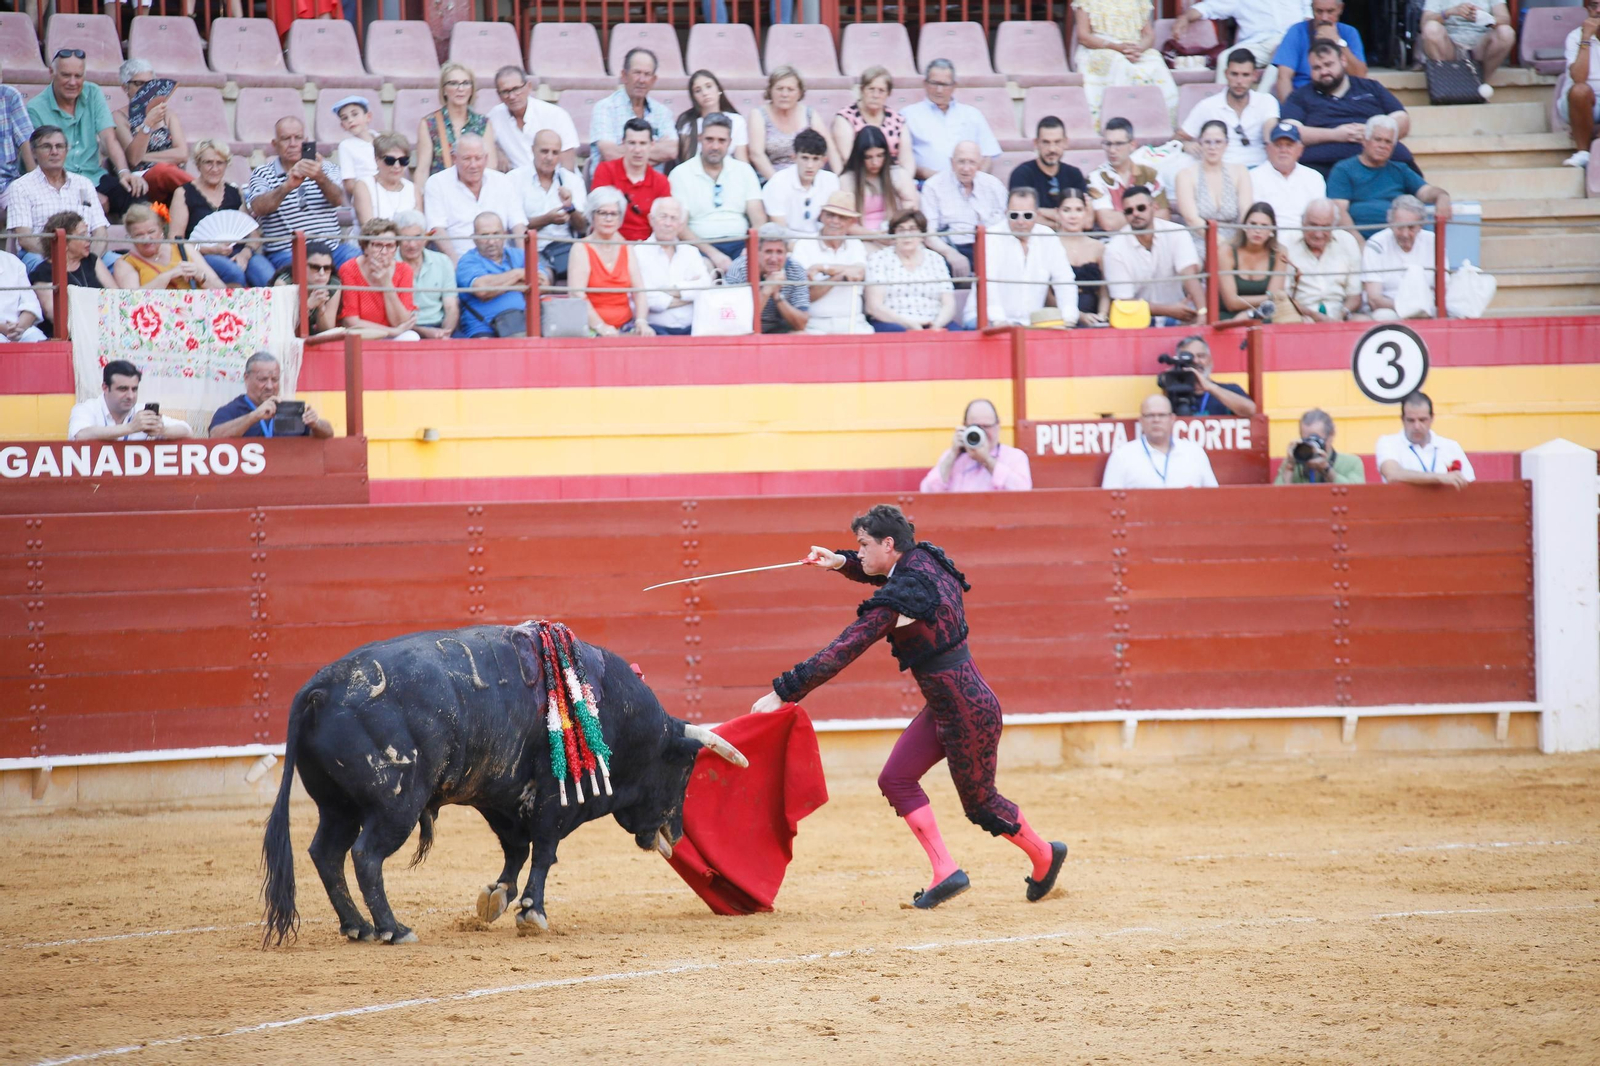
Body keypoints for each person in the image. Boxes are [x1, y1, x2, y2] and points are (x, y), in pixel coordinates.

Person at [750, 503, 1066, 910]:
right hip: (947, 705)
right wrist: (838, 563)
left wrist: (785, 691)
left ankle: (1044, 853)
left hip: (968, 711)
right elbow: (884, 572)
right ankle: (945, 871)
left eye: (862, 545)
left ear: (888, 543)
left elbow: (845, 648)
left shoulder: (901, 597)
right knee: (896, 779)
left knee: (982, 804)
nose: (858, 552)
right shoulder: (924, 560)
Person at [26, 50, 144, 217]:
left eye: (78, 76)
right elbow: (43, 164)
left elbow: (109, 138)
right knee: (85, 207)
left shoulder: (93, 92)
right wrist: (86, 194)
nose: (73, 82)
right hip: (59, 183)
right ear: (52, 73)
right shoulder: (35, 108)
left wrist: (124, 172)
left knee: (136, 194)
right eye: (66, 75)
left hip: (93, 175)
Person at [1280, 41, 1413, 177]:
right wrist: (1335, 134)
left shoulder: (1370, 87)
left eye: (1328, 65)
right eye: (1316, 68)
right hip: (1323, 165)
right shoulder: (1300, 96)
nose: (1324, 72)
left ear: (1343, 61)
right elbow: (1290, 132)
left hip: (1380, 160)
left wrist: (1372, 131)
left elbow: (1402, 118)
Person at [246, 116, 355, 272]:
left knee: (357, 260)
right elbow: (258, 207)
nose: (293, 144)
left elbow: (339, 200)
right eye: (285, 139)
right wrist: (286, 187)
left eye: (298, 138)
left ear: (306, 140)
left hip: (330, 249)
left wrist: (320, 177)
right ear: (275, 145)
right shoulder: (263, 173)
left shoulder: (326, 168)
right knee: (301, 273)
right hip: (286, 251)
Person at [965, 187, 1080, 329]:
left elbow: (1064, 279)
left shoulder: (1047, 236)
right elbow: (989, 283)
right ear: (1006, 213)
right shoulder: (991, 236)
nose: (1020, 221)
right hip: (984, 319)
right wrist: (998, 321)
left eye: (1027, 216)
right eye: (1014, 215)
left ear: (1037, 215)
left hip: (1030, 324)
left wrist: (1069, 318)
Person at [668, 114, 765, 272]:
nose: (715, 146)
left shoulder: (744, 171)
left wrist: (749, 250)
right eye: (709, 139)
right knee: (702, 269)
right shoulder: (680, 174)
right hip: (699, 246)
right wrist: (714, 255)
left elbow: (759, 219)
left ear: (730, 143)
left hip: (741, 244)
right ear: (700, 139)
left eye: (721, 141)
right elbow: (681, 226)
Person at [1327, 115, 1451, 236]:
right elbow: (1339, 211)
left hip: (1399, 239)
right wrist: (1359, 243)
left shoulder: (1400, 169)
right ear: (1365, 141)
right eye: (1378, 139)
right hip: (1360, 239)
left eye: (1388, 142)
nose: (1382, 146)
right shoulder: (1343, 169)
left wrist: (1442, 196)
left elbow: (1425, 191)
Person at [8, 126, 111, 271]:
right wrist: (65, 257)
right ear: (33, 152)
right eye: (46, 147)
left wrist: (89, 260)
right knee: (41, 266)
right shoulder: (20, 187)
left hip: (85, 253)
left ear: (66, 151)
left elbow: (100, 232)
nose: (54, 152)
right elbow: (25, 239)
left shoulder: (83, 184)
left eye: (59, 146)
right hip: (42, 255)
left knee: (118, 263)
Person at [169, 139, 268, 287]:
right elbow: (175, 240)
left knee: (267, 276)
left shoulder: (235, 192)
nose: (214, 168)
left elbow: (253, 233)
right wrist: (210, 249)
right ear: (198, 165)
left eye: (219, 163)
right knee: (234, 273)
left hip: (239, 251)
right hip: (202, 254)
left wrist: (245, 254)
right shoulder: (183, 193)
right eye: (208, 162)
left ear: (226, 165)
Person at [1104, 185, 1206, 324]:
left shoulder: (1176, 232)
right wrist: (1169, 310)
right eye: (1129, 211)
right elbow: (1124, 302)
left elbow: (1190, 275)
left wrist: (1202, 312)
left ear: (1154, 207)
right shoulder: (1114, 248)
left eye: (1141, 208)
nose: (1135, 214)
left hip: (1182, 314)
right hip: (1137, 320)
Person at [1072, 0, 1179, 128]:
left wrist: (1138, 49)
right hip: (1100, 49)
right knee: (1120, 64)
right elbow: (1083, 36)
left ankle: (1158, 127)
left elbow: (1148, 35)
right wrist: (1116, 47)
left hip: (1133, 48)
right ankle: (1116, 126)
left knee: (1156, 62)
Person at [423, 133, 527, 264]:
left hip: (502, 260)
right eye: (467, 159)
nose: (473, 165)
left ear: (486, 158)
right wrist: (457, 266)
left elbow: (518, 225)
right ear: (454, 158)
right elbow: (437, 230)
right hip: (462, 261)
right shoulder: (437, 183)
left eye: (478, 158)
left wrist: (525, 263)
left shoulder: (503, 181)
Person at [566, 185, 652, 336]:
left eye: (614, 214)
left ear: (620, 218)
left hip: (625, 325)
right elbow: (577, 295)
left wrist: (641, 321)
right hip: (590, 328)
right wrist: (601, 326)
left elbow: (639, 291)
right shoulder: (580, 248)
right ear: (592, 216)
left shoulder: (626, 247)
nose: (608, 218)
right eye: (602, 213)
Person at [456, 211, 551, 338]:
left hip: (522, 324)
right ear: (474, 238)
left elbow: (543, 284)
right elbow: (483, 290)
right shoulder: (467, 261)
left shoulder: (520, 255)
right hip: (484, 329)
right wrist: (518, 275)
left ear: (505, 235)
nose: (491, 241)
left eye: (496, 234)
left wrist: (499, 285)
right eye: (484, 235)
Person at [110, 58, 191, 209]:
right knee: (162, 170)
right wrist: (148, 124)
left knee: (167, 171)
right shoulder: (119, 117)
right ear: (125, 87)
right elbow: (134, 159)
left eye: (150, 84)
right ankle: (202, 194)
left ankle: (200, 196)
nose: (145, 89)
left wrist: (145, 156)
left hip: (172, 176)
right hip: (140, 180)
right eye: (139, 84)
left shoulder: (167, 114)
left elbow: (182, 154)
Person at [901, 59, 1001, 180]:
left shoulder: (972, 114)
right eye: (934, 83)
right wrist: (925, 174)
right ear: (925, 83)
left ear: (954, 86)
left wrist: (974, 181)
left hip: (969, 187)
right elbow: (900, 159)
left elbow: (988, 155)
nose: (939, 90)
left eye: (944, 84)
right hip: (925, 184)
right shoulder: (908, 115)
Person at [1179, 50, 1280, 168]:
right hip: (1221, 170)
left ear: (1254, 76)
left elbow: (1272, 135)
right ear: (1226, 74)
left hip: (1260, 168)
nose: (1239, 81)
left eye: (1245, 75)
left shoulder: (1266, 101)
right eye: (1234, 74)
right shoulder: (1207, 105)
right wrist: (1185, 144)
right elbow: (1179, 137)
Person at [510, 128, 588, 279]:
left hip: (565, 250)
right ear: (533, 150)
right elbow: (512, 228)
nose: (549, 157)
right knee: (544, 276)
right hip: (529, 249)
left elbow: (582, 227)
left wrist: (570, 208)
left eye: (555, 152)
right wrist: (547, 219)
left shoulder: (572, 180)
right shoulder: (514, 180)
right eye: (544, 151)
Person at [865, 209, 960, 332]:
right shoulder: (879, 259)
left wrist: (937, 325)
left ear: (922, 235)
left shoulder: (936, 259)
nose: (906, 235)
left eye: (912, 229)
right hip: (894, 323)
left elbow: (949, 304)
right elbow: (874, 307)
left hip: (934, 321)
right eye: (901, 229)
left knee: (959, 337)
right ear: (893, 235)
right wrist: (910, 325)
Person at [1174, 118, 1254, 262]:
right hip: (1199, 239)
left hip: (1235, 239)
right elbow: (1191, 218)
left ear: (1226, 144)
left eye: (1218, 142)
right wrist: (1220, 243)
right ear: (1200, 143)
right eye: (1207, 142)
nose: (1212, 147)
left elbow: (1245, 212)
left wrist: (1237, 242)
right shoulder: (1186, 175)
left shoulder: (1240, 171)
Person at [1101, 393, 1220, 488]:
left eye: (1162, 415)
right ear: (1141, 421)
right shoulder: (1122, 456)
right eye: (1150, 415)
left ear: (1172, 419)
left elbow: (1213, 497)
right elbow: (1109, 502)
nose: (1156, 420)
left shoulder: (1194, 453)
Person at [791, 191, 869, 334]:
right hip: (815, 324)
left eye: (842, 217)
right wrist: (839, 277)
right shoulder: (804, 245)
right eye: (830, 215)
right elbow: (806, 295)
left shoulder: (856, 244)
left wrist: (823, 268)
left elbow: (858, 273)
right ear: (822, 216)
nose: (835, 221)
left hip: (853, 321)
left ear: (851, 222)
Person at [922, 139, 1008, 269]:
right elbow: (929, 233)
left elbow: (1004, 225)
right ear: (952, 162)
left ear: (980, 164)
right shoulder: (933, 186)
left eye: (972, 162)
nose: (966, 168)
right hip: (951, 247)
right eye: (961, 161)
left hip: (990, 247)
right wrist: (950, 254)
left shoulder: (993, 185)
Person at [210, 351, 334, 439]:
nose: (269, 386)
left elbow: (328, 434)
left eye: (274, 380)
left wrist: (316, 423)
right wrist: (254, 417)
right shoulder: (232, 410)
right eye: (263, 379)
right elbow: (214, 436)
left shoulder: (289, 410)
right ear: (246, 378)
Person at [1173, 0, 1302, 84]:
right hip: (1256, 45)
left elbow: (1312, 15)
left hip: (1291, 42)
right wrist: (1185, 17)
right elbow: (1208, 8)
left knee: (1280, 56)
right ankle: (1222, 107)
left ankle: (1262, 103)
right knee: (1226, 58)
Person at [748, 66, 840, 180]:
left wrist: (840, 177)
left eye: (790, 89)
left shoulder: (810, 114)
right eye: (779, 89)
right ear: (770, 91)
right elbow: (756, 154)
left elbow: (829, 148)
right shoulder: (759, 115)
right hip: (772, 178)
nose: (784, 94)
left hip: (809, 177)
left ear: (799, 93)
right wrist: (779, 183)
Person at [635, 197, 711, 335]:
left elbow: (705, 288)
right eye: (663, 217)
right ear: (651, 219)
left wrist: (668, 290)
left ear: (681, 225)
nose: (668, 223)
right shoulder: (638, 252)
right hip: (655, 330)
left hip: (694, 329)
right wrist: (688, 295)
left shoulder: (691, 251)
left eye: (673, 218)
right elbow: (647, 299)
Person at [590, 47, 678, 167]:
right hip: (612, 183)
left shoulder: (662, 112)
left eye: (647, 74)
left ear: (653, 80)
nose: (642, 80)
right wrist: (655, 150)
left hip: (652, 185)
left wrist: (625, 151)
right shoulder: (605, 108)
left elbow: (672, 151)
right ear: (624, 76)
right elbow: (610, 154)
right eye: (637, 73)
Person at [920, 398, 1032, 492]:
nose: (981, 432)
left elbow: (1023, 491)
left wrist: (987, 461)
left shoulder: (1014, 457)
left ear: (997, 426)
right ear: (965, 426)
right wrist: (952, 455)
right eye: (976, 427)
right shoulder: (952, 457)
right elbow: (927, 491)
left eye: (986, 426)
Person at [111, 202, 226, 291]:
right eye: (139, 235)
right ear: (130, 237)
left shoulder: (183, 247)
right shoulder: (125, 263)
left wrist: (201, 275)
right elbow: (132, 301)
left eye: (151, 232)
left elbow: (222, 289)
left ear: (162, 231)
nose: (146, 239)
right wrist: (168, 275)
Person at [591, 119, 672, 243]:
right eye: (632, 143)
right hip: (610, 243)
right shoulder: (605, 170)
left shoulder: (661, 182)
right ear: (623, 143)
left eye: (643, 143)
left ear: (652, 144)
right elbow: (599, 218)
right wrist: (627, 248)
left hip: (648, 247)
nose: (637, 149)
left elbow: (664, 224)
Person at [338, 218, 420, 340]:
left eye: (390, 246)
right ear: (365, 247)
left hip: (392, 333)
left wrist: (387, 284)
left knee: (411, 337)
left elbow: (402, 322)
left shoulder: (404, 270)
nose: (384, 252)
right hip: (363, 335)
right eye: (378, 245)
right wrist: (392, 332)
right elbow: (351, 322)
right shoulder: (349, 269)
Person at [1284, 197, 1364, 321]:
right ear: (1302, 223)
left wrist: (1341, 315)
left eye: (1325, 227)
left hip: (1340, 314)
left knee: (1365, 322)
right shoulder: (1287, 243)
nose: (1318, 234)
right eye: (1313, 225)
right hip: (1301, 315)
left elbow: (1355, 296)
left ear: (1334, 226)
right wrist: (1315, 316)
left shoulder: (1347, 241)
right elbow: (1284, 296)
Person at [68, 360, 192, 440]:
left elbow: (187, 431)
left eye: (134, 389)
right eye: (123, 389)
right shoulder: (86, 408)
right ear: (105, 388)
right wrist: (131, 428)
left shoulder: (141, 411)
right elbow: (81, 435)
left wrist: (163, 430)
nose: (130, 396)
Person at [488, 65, 579, 173]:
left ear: (528, 87)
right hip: (517, 183)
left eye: (516, 89)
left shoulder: (555, 115)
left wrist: (563, 186)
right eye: (505, 92)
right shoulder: (494, 116)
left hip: (555, 180)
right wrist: (497, 151)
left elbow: (567, 162)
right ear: (498, 94)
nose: (512, 96)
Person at [722, 222, 810, 333]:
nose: (774, 259)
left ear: (786, 253)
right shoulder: (739, 268)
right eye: (768, 252)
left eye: (779, 252)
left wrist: (777, 296)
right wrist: (766, 290)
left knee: (801, 335)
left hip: (781, 332)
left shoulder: (796, 269)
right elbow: (735, 320)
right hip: (746, 332)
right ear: (756, 252)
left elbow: (801, 324)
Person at [28, 211, 116, 322]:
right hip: (69, 332)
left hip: (102, 325)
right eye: (82, 235)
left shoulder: (92, 260)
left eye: (88, 234)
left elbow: (115, 295)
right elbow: (53, 314)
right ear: (64, 242)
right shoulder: (42, 273)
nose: (88, 238)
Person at [1271, 0, 1368, 99]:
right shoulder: (1297, 31)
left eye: (1330, 11)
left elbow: (1360, 75)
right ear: (1312, 10)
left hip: (1343, 99)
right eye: (1319, 11)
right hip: (1305, 99)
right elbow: (1284, 78)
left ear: (1340, 9)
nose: (1324, 18)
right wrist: (1290, 109)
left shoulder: (1349, 32)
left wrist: (1337, 41)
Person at [1087, 117, 1171, 231]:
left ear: (1132, 145)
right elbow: (1109, 223)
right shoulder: (1096, 177)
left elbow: (1164, 217)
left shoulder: (1150, 174)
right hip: (1114, 243)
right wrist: (1145, 213)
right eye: (1108, 144)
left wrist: (1120, 216)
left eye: (1118, 144)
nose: (1112, 150)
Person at [1375, 390, 1474, 487]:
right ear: (1402, 419)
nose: (1417, 426)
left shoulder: (1450, 446)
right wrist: (1439, 478)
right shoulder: (1389, 443)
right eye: (1411, 420)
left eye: (1422, 420)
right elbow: (1392, 474)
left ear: (1432, 418)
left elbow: (1469, 483)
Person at [415, 63, 497, 179]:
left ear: (472, 89)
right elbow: (422, 170)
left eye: (466, 83)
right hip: (441, 192)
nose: (460, 89)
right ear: (444, 90)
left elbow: (490, 168)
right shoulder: (429, 124)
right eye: (453, 83)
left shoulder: (483, 123)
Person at [1362, 195, 1436, 320]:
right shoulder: (1376, 244)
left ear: (1421, 225)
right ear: (1391, 223)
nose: (1405, 234)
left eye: (1412, 227)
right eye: (1400, 227)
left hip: (1427, 308)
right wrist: (1409, 308)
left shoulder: (1433, 242)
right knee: (1383, 316)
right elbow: (1374, 299)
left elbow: (1442, 289)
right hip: (1390, 309)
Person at [838, 124, 920, 236]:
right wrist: (875, 236)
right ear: (859, 157)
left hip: (895, 234)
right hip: (860, 238)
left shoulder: (897, 174)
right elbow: (844, 223)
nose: (875, 162)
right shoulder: (847, 180)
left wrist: (896, 227)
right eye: (869, 157)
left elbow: (911, 206)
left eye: (880, 156)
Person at [1007, 117, 1087, 231]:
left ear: (1065, 142)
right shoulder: (1022, 174)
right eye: (1046, 142)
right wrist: (1066, 220)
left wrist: (1041, 212)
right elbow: (1022, 219)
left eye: (1057, 142)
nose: (1052, 149)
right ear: (1036, 143)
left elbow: (1087, 221)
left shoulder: (1074, 174)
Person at [1421, 0, 1514, 97]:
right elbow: (1425, 21)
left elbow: (1505, 20)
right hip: (1449, 46)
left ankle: (1480, 82)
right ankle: (1446, 85)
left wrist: (1485, 17)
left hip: (1480, 48)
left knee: (1506, 32)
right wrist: (1449, 12)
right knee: (1431, 28)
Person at [1247, 122, 1325, 235]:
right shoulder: (1252, 177)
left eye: (1289, 145)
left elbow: (1319, 218)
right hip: (1268, 239)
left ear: (1300, 150)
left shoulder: (1314, 177)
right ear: (1268, 148)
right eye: (1278, 145)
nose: (1283, 150)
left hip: (1305, 239)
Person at [761, 129, 840, 239]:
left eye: (816, 159)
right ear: (794, 157)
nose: (810, 165)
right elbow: (780, 229)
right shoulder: (777, 182)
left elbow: (835, 224)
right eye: (805, 158)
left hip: (822, 242)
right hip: (789, 243)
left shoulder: (831, 181)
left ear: (824, 161)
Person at [1218, 201, 1289, 321]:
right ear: (1245, 226)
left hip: (1263, 316)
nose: (1258, 230)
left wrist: (1250, 313)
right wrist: (1268, 298)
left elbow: (1274, 299)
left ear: (1272, 231)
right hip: (1228, 317)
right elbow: (1231, 303)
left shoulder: (1279, 253)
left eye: (1264, 226)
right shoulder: (1226, 251)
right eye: (1253, 224)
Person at [394, 209, 459, 339]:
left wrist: (445, 332)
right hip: (403, 329)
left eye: (417, 237)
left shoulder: (442, 261)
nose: (412, 245)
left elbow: (451, 306)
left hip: (438, 326)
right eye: (405, 238)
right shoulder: (390, 264)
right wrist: (424, 332)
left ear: (426, 237)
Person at [832, 66, 909, 177]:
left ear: (888, 93)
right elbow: (848, 158)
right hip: (859, 177)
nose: (875, 95)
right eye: (871, 89)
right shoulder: (845, 118)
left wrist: (904, 178)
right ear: (862, 90)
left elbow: (907, 160)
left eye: (881, 91)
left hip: (893, 176)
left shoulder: (898, 120)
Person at [674, 69, 750, 167]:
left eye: (709, 86)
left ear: (719, 89)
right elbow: (686, 162)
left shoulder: (737, 121)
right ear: (693, 97)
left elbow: (742, 159)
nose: (705, 93)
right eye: (698, 90)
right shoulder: (688, 123)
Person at [1274, 408, 1366, 484]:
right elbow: (1276, 498)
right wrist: (1290, 467)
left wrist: (1327, 470)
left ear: (1331, 435)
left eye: (1315, 439)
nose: (1311, 445)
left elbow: (1356, 494)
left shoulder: (1351, 463)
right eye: (1306, 440)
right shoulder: (1292, 464)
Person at [1172, 335, 1257, 416]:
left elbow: (1251, 410)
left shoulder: (1230, 390)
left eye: (1201, 356)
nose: (1196, 361)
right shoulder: (1173, 393)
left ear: (1210, 361)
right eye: (1189, 357)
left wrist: (1209, 386)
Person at [1058, 188, 1108, 324]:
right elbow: (1047, 294)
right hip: (1059, 317)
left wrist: (1102, 315)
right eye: (1066, 210)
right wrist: (1078, 316)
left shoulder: (1098, 247)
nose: (1073, 216)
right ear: (1058, 213)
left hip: (1093, 317)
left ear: (1086, 213)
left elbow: (1105, 290)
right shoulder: (1051, 245)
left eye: (1079, 210)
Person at [1560, 0, 1600, 168]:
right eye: (1593, 5)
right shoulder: (1575, 36)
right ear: (1586, 9)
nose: (1598, 10)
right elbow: (1579, 78)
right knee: (1580, 91)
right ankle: (1582, 152)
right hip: (1580, 103)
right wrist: (1586, 38)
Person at [353, 132, 418, 225]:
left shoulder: (412, 188)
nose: (397, 166)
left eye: (403, 160)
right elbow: (368, 229)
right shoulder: (364, 186)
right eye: (390, 160)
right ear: (376, 160)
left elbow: (419, 228)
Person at [292, 241, 344, 341]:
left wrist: (321, 309)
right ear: (301, 266)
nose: (322, 273)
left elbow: (326, 331)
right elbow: (285, 328)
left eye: (327, 268)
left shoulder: (333, 285)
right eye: (315, 267)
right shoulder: (285, 283)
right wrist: (307, 306)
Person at [330, 94, 376, 203]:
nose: (350, 120)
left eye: (355, 114)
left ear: (368, 117)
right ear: (342, 125)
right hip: (366, 198)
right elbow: (349, 183)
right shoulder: (346, 146)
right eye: (345, 118)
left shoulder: (382, 138)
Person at [0, 76, 34, 209]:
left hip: (7, 184)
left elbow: (27, 143)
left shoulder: (9, 96)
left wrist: (36, 188)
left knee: (29, 206)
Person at [0, 246, 45, 342]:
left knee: (37, 339)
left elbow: (31, 305)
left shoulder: (12, 261)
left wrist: (18, 328)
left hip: (19, 329)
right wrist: (4, 328)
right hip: (4, 330)